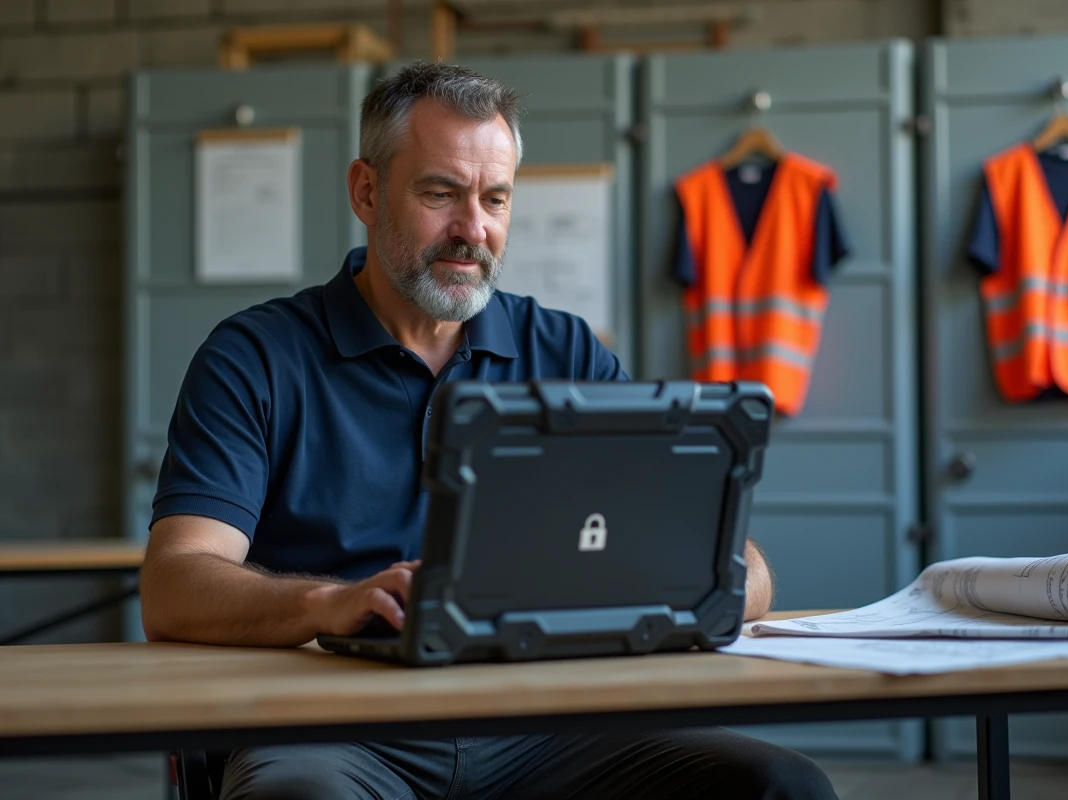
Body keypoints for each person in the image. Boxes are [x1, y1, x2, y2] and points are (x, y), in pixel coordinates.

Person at [140, 60, 839, 800]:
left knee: (781, 787)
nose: (473, 230)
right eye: (441, 193)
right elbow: (175, 586)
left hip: (550, 725)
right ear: (367, 192)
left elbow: (732, 567)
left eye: (495, 199)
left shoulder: (565, 352)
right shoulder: (254, 357)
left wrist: (724, 576)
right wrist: (328, 604)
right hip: (334, 725)